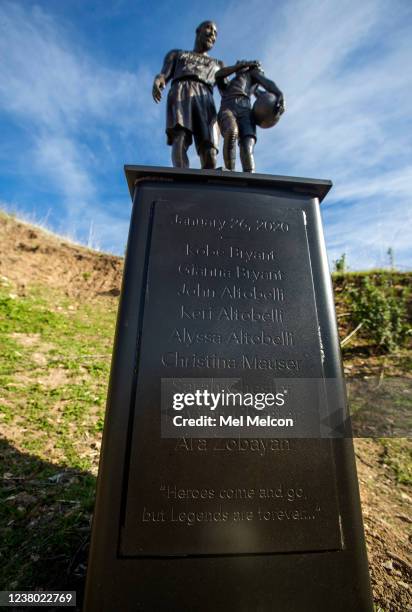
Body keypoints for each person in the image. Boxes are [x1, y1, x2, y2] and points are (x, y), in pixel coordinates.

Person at [152, 21, 223, 169]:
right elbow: (164, 74)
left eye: (216, 33)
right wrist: (159, 80)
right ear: (198, 30)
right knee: (181, 137)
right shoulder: (177, 54)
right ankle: (181, 175)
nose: (212, 34)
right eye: (209, 28)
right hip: (181, 92)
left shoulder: (218, 65)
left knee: (209, 149)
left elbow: (229, 91)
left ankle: (210, 185)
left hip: (205, 97)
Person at [215, 61, 284, 172]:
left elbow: (268, 84)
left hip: (246, 112)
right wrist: (239, 66)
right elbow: (218, 75)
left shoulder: (251, 76)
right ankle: (230, 171)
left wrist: (279, 95)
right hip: (228, 109)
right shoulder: (227, 85)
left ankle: (250, 176)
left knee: (247, 145)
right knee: (232, 132)